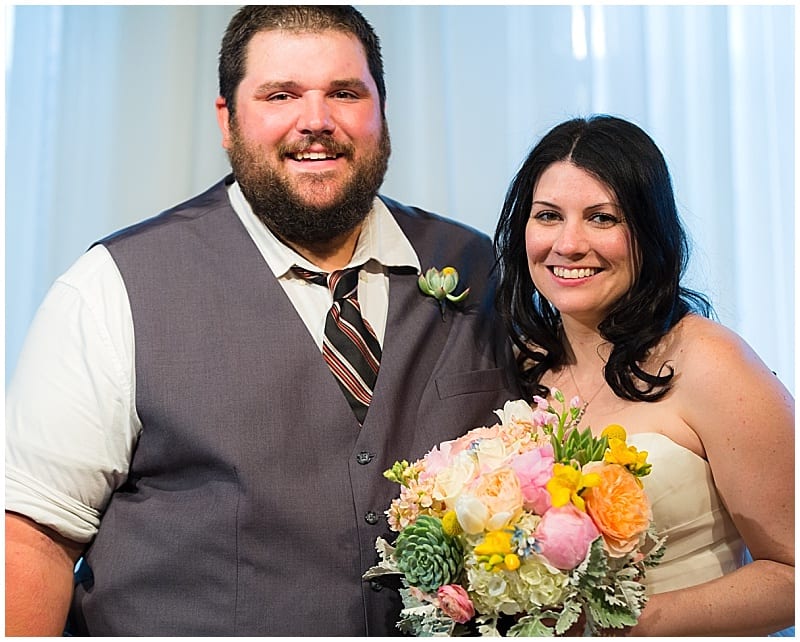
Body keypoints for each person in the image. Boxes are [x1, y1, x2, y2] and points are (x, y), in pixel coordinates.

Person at [5, 6, 522, 636]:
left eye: (345, 93)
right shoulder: (111, 287)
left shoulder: (476, 267)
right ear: (227, 120)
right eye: (281, 95)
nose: (316, 121)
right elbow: (30, 536)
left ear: (382, 112)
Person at [493, 114, 794, 635]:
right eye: (547, 216)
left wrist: (625, 624)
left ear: (648, 230)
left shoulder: (713, 363)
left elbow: (792, 575)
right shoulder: (519, 364)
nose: (568, 244)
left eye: (602, 218)